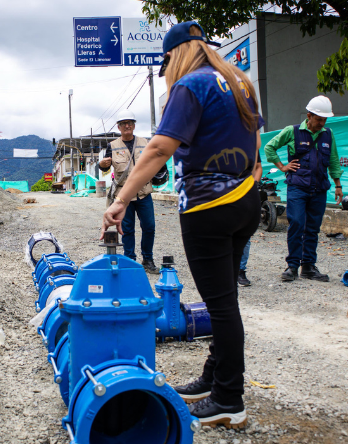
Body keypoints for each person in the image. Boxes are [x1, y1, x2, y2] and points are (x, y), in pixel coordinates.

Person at [101, 21, 263, 428]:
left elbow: (159, 148)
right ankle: (214, 377)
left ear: (175, 55)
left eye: (167, 62)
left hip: (209, 206)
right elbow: (256, 146)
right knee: (224, 299)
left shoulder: (190, 85)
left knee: (221, 304)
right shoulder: (240, 83)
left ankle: (229, 398)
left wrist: (121, 200)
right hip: (245, 199)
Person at [264, 96, 344, 282]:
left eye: (325, 120)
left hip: (319, 188)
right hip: (297, 188)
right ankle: (292, 266)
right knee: (297, 224)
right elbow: (270, 147)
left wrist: (338, 185)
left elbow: (333, 160)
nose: (322, 123)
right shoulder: (291, 132)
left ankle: (308, 267)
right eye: (319, 119)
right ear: (309, 116)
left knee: (313, 228)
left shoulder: (328, 134)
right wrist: (282, 166)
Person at [98, 110, 158, 272]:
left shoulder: (145, 142)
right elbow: (104, 168)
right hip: (124, 196)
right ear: (118, 127)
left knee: (149, 227)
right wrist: (103, 164)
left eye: (130, 122)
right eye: (124, 123)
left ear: (134, 125)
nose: (127, 125)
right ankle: (130, 260)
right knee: (127, 229)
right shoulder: (112, 146)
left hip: (144, 192)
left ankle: (148, 259)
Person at [238, 160, 264, 287]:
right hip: (222, 194)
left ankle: (240, 271)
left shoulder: (250, 141)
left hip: (245, 193)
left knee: (244, 234)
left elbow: (258, 167)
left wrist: (253, 186)